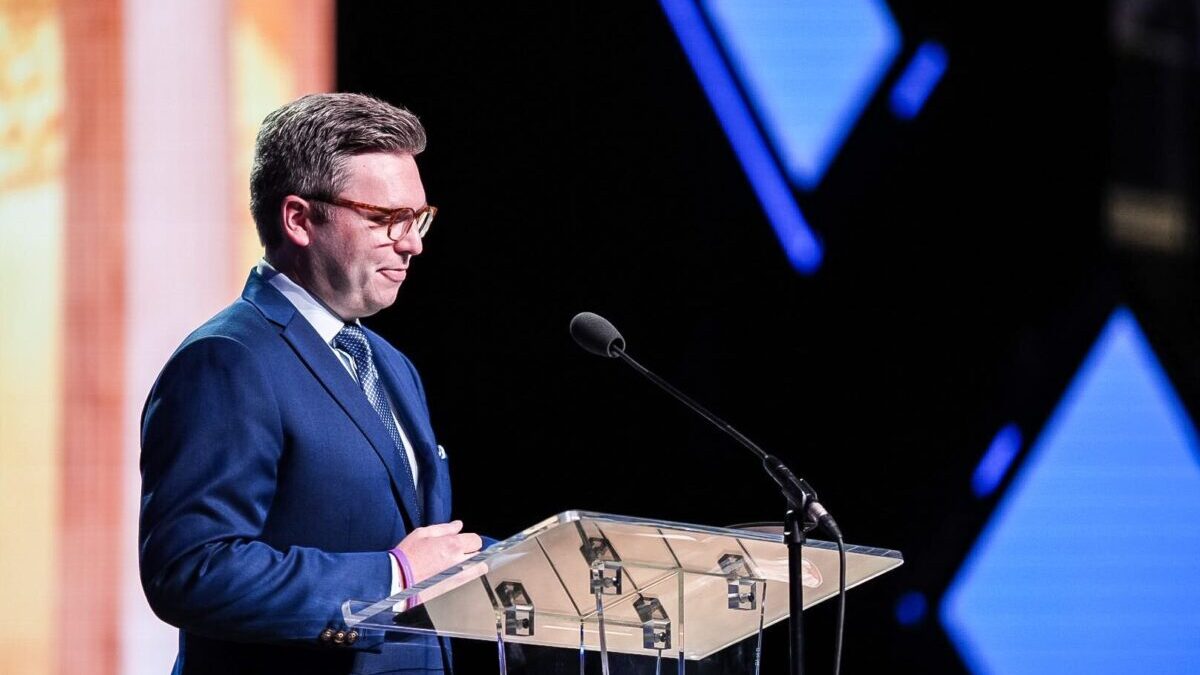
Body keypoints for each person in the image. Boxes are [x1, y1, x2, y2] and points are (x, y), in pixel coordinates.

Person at [139, 92, 481, 674]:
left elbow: (415, 547)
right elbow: (192, 569)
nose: (413, 243)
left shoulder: (391, 364)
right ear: (299, 219)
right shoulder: (228, 360)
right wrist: (391, 575)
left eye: (418, 218)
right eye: (386, 219)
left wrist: (536, 570)